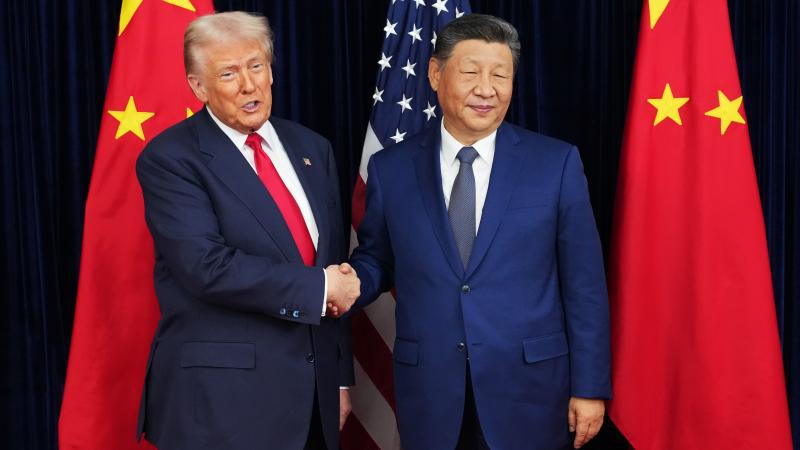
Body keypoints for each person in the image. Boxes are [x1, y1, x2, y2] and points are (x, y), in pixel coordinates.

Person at [349, 14, 610, 450]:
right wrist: (346, 283)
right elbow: (378, 257)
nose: (487, 89)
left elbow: (585, 286)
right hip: (431, 391)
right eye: (471, 72)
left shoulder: (556, 164)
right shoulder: (390, 168)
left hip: (529, 392)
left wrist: (590, 386)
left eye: (500, 75)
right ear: (435, 74)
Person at [135, 11, 358, 450]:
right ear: (199, 87)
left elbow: (330, 262)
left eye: (256, 66)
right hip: (223, 406)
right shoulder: (170, 158)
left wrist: (338, 378)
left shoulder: (313, 149)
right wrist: (320, 286)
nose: (248, 85)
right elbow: (205, 267)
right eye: (228, 73)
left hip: (313, 401)